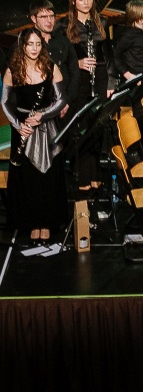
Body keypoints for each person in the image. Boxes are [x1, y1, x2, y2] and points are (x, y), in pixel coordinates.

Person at [2, 28, 68, 245]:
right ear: (23, 45)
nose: (35, 48)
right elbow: (4, 102)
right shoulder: (13, 69)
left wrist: (42, 116)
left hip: (46, 128)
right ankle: (31, 222)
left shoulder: (50, 67)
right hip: (23, 129)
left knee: (47, 177)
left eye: (38, 44)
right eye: (30, 44)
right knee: (28, 179)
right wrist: (19, 125)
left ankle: (47, 222)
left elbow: (60, 100)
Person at [61, 0, 109, 192]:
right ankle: (81, 174)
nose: (86, 3)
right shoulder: (63, 27)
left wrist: (110, 84)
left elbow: (107, 55)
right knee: (80, 127)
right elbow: (59, 60)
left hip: (98, 78)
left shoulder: (101, 22)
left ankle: (96, 173)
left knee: (97, 126)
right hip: (77, 79)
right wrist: (78, 63)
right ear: (73, 1)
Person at [28, 0, 79, 118]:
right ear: (34, 19)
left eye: (51, 16)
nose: (49, 20)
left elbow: (74, 73)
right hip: (41, 109)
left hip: (67, 105)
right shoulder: (26, 44)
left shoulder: (63, 41)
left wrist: (66, 101)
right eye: (44, 17)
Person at [114, 0, 143, 85]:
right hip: (136, 77)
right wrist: (127, 75)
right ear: (139, 18)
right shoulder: (127, 35)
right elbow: (115, 56)